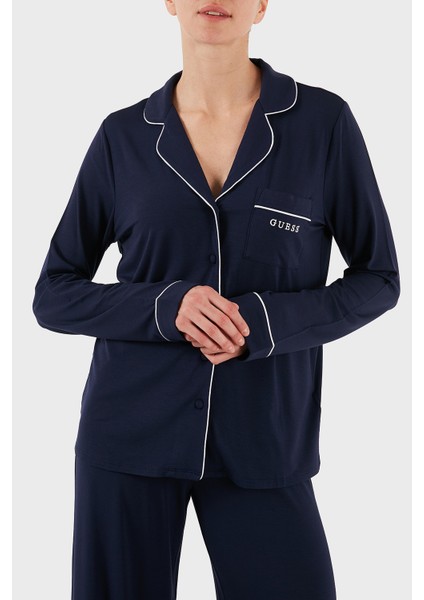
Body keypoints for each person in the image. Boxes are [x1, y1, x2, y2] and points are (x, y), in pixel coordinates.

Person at [32, 1, 400, 598]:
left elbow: (379, 277)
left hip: (265, 438)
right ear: (170, 2)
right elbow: (53, 293)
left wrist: (264, 322)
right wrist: (165, 307)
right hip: (128, 436)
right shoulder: (122, 136)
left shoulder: (323, 123)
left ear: (262, 5)